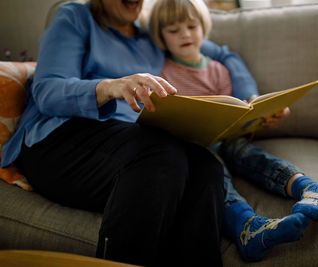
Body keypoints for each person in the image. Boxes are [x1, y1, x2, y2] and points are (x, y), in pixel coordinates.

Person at [0, 0, 263, 266]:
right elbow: (47, 92)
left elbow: (222, 54)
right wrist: (109, 87)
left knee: (206, 166)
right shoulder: (74, 17)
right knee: (160, 155)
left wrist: (249, 98)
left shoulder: (150, 30)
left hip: (128, 139)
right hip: (56, 139)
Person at [148, 0, 318, 262]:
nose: (185, 34)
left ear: (203, 28)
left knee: (252, 155)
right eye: (173, 29)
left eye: (191, 26)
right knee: (214, 175)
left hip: (228, 139)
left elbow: (232, 110)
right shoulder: (162, 74)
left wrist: (254, 117)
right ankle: (250, 228)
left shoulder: (219, 69)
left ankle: (310, 190)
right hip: (196, 147)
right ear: (160, 36)